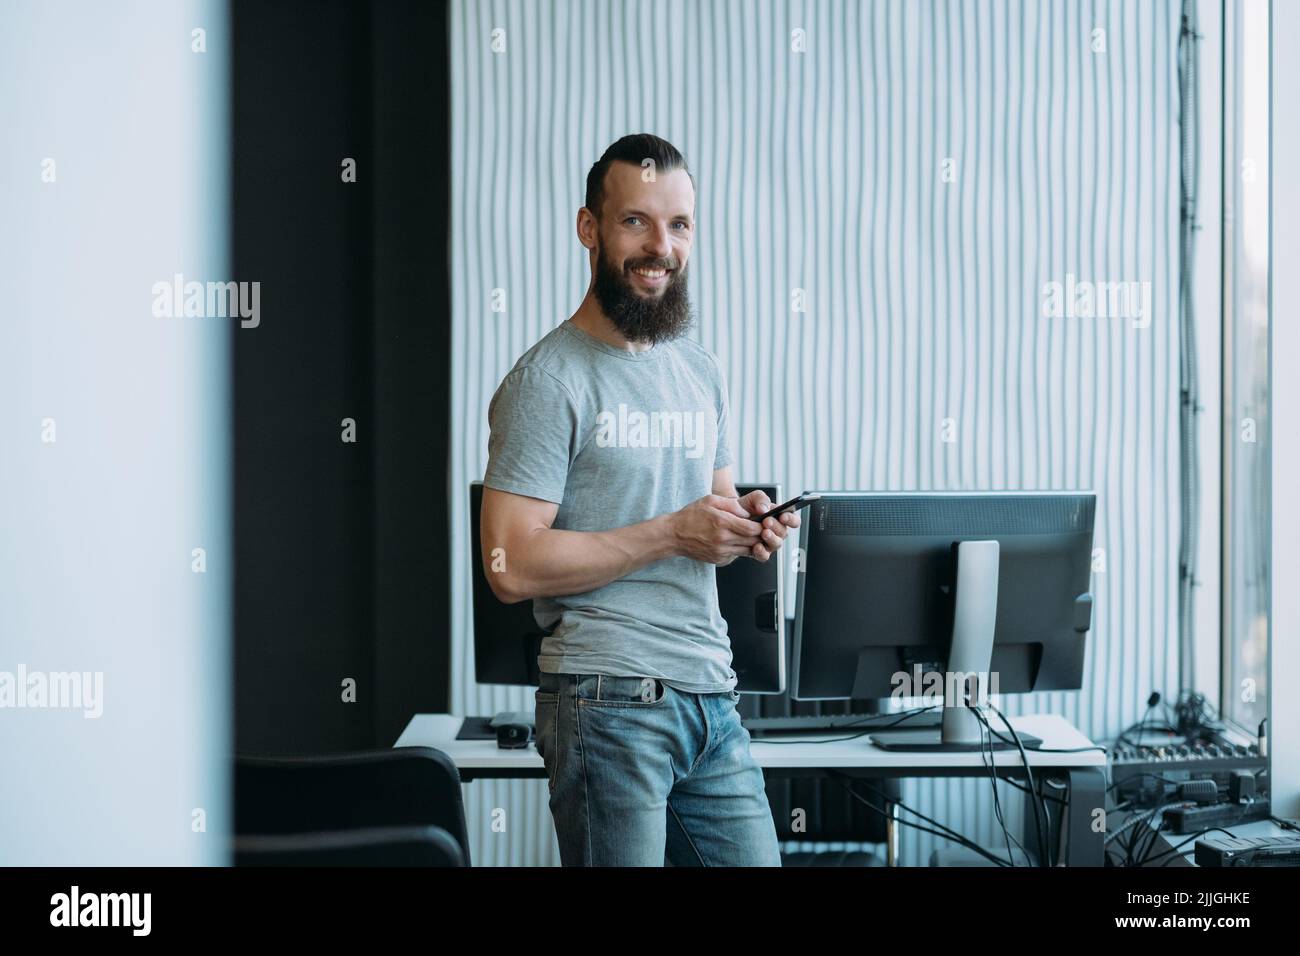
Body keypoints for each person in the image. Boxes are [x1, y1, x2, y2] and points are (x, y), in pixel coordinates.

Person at [480, 133, 798, 866]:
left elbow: (708, 509)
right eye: (636, 221)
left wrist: (745, 523)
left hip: (711, 698)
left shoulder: (697, 368)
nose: (662, 245)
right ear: (590, 228)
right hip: (606, 698)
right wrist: (669, 534)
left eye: (679, 224)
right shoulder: (548, 380)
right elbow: (508, 565)